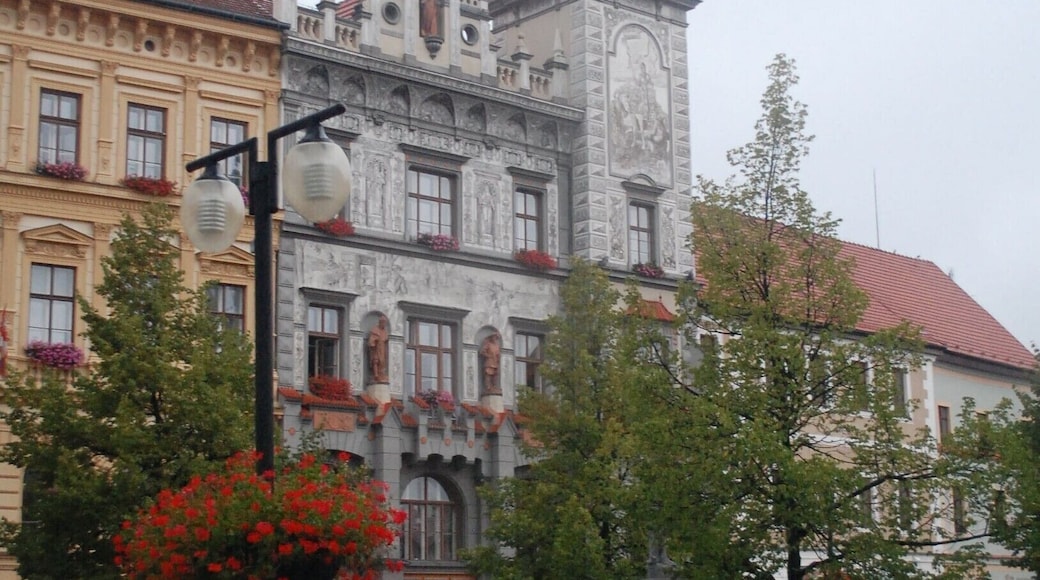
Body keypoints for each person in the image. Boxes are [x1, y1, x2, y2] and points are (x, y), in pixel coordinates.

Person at [367, 315, 389, 383]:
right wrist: (373, 343)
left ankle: (381, 374)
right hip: (376, 348)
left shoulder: (385, 332)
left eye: (385, 323)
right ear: (380, 322)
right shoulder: (375, 330)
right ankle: (376, 375)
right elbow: (371, 340)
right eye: (383, 322)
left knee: (382, 362)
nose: (384, 324)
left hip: (382, 348)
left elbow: (385, 339)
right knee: (375, 360)